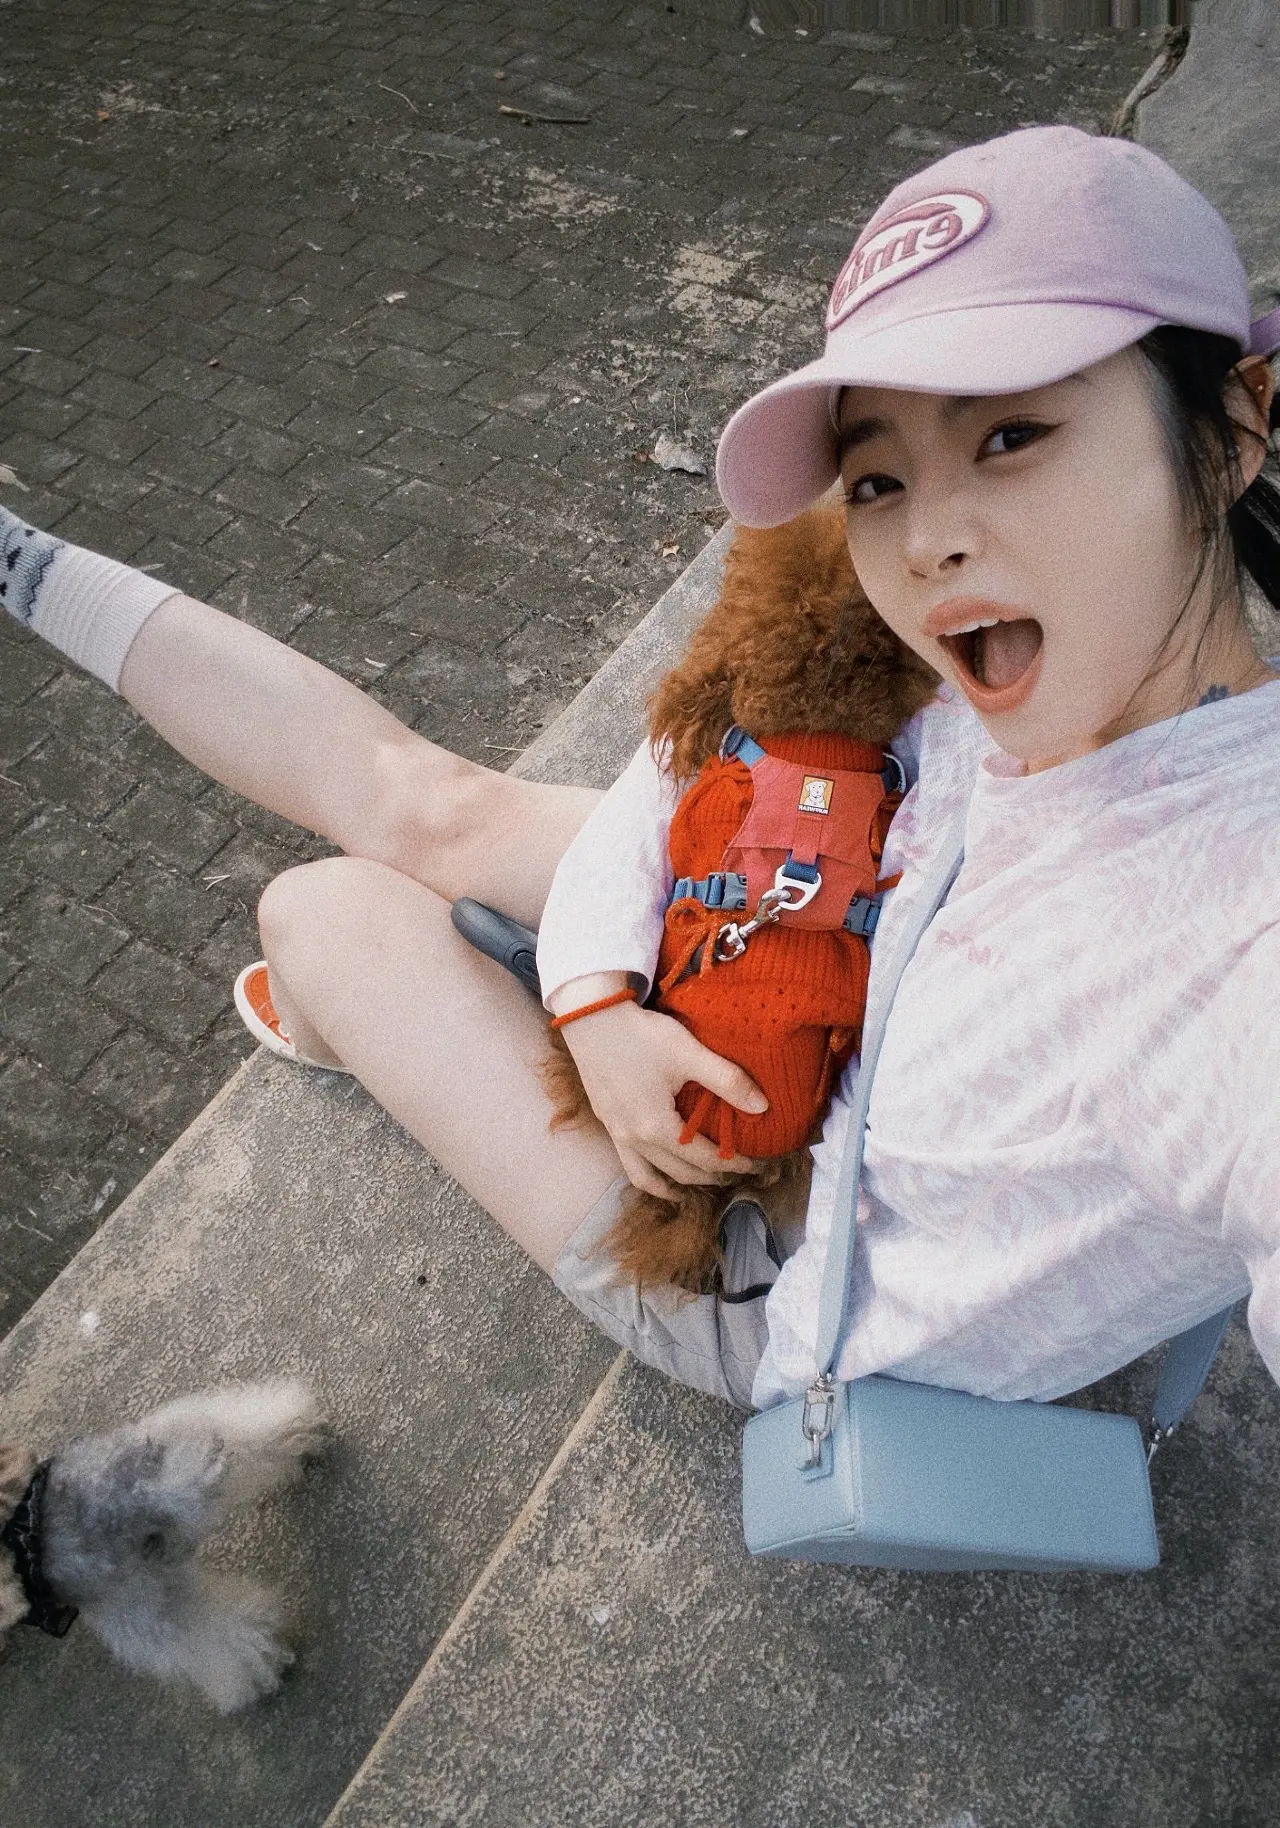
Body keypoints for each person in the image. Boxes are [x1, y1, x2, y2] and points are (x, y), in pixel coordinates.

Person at [3, 126, 1279, 1416]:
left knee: (319, 909)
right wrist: (595, 1004)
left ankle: (347, 1013)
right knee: (429, 808)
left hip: (758, 1259)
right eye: (878, 476)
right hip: (826, 891)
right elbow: (696, 773)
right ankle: (17, 561)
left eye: (1012, 435)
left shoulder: (1234, 948)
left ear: (1234, 426)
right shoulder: (1037, 653)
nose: (925, 541)